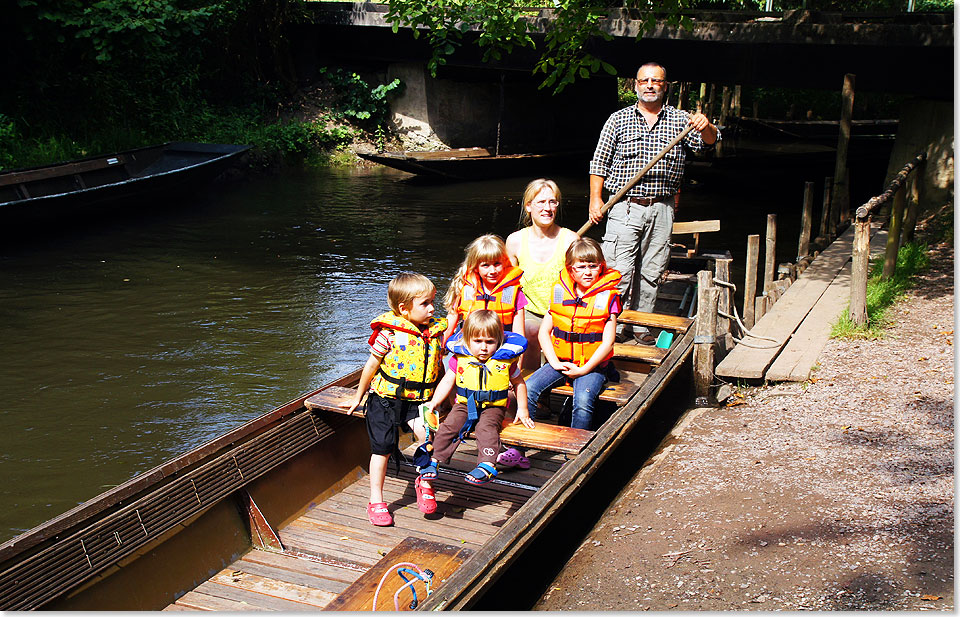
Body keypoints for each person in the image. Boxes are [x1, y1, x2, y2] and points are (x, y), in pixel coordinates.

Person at [588, 62, 719, 345]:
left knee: (651, 270)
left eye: (656, 81)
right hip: (623, 205)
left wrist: (706, 125)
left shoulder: (681, 120)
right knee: (617, 271)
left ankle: (640, 326)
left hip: (662, 207)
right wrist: (595, 200)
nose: (650, 85)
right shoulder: (617, 119)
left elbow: (710, 142)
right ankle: (612, 325)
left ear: (664, 86)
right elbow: (598, 162)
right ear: (635, 85)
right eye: (644, 80)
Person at [339, 273, 448, 526]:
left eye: (433, 301)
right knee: (383, 448)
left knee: (429, 437)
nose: (433, 308)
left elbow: (438, 368)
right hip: (385, 400)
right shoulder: (388, 335)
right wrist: (359, 395)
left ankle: (425, 482)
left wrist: (447, 399)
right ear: (404, 308)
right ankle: (376, 499)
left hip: (420, 400)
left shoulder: (434, 334)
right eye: (425, 304)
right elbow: (371, 366)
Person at [420, 310, 533, 485]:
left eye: (490, 342)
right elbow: (447, 381)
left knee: (486, 429)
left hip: (493, 406)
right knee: (449, 426)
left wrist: (523, 409)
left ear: (499, 342)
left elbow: (519, 383)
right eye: (478, 341)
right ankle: (434, 459)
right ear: (467, 340)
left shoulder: (505, 362)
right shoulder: (460, 358)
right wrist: (435, 402)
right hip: (465, 403)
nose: (484, 347)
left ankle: (487, 465)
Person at [524, 238, 622, 430]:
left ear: (601, 267)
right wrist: (554, 363)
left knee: (583, 400)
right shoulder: (561, 292)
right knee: (528, 388)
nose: (587, 272)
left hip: (591, 367)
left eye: (593, 266)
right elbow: (544, 332)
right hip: (559, 361)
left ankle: (574, 452)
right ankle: (518, 448)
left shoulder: (608, 297)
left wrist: (583, 370)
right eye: (581, 267)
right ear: (570, 269)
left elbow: (608, 342)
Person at [505, 178, 578, 372]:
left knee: (554, 333)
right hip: (529, 311)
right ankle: (529, 387)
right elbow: (508, 288)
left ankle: (547, 388)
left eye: (552, 202)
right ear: (529, 206)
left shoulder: (570, 240)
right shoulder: (515, 241)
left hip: (563, 310)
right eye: (541, 202)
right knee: (531, 330)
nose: (548, 208)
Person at [443, 234, 527, 342]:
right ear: (476, 267)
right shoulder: (464, 288)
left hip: (500, 346)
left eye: (497, 264)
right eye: (485, 265)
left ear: (504, 263)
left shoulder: (514, 292)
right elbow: (450, 322)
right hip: (469, 344)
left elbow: (519, 335)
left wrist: (517, 358)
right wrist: (440, 348)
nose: (492, 271)